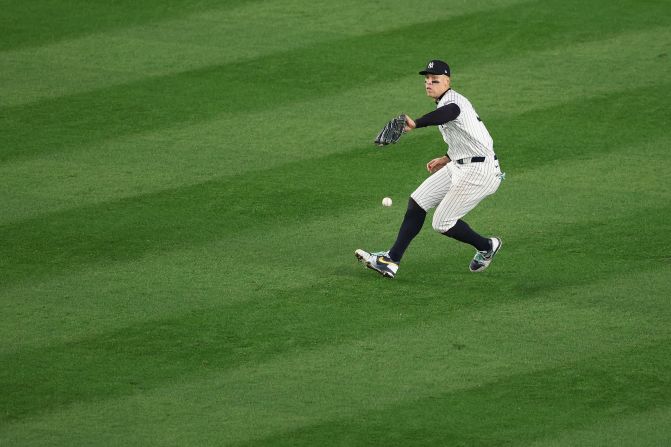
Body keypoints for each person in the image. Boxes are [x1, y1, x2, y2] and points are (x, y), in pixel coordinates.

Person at [355, 59, 505, 279]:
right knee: (418, 201)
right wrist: (446, 158)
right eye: (427, 80)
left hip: (480, 172)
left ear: (447, 81)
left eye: (435, 80)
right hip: (460, 164)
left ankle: (487, 246)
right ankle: (391, 261)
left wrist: (416, 123)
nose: (429, 84)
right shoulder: (444, 102)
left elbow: (448, 114)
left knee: (442, 222)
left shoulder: (453, 103)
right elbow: (471, 136)